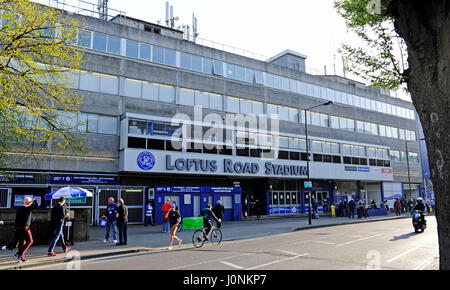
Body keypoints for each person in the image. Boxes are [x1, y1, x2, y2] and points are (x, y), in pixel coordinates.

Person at [13, 197, 38, 262]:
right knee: (30, 241)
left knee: (22, 242)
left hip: (18, 228)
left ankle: (21, 257)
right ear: (29, 202)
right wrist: (34, 200)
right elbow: (36, 205)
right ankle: (17, 254)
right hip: (25, 228)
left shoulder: (19, 208)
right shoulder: (27, 208)